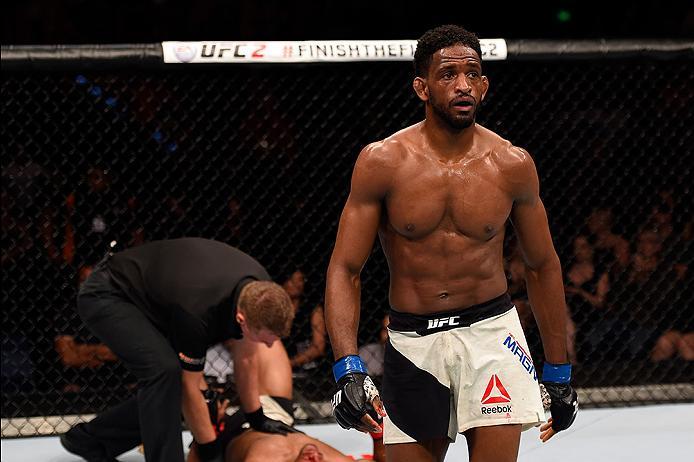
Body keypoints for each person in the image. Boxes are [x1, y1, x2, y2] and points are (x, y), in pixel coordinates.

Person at [325, 25, 578, 462]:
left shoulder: (511, 164)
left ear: (484, 84)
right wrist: (347, 366)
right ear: (421, 87)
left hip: (492, 337)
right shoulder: (383, 162)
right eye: (447, 74)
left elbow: (542, 267)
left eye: (472, 73)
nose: (462, 85)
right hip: (413, 340)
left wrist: (558, 371)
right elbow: (345, 269)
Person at [59, 237, 297, 462]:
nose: (269, 346)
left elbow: (246, 359)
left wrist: (256, 417)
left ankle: (89, 440)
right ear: (241, 319)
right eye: (266, 340)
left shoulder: (260, 293)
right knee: (164, 371)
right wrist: (210, 450)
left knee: (187, 394)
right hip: (107, 293)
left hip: (155, 300)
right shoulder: (197, 313)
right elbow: (188, 386)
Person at [188, 329, 385, 462]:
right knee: (262, 334)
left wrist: (204, 438)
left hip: (229, 432)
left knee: (190, 379)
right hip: (277, 415)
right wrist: (377, 431)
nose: (316, 457)